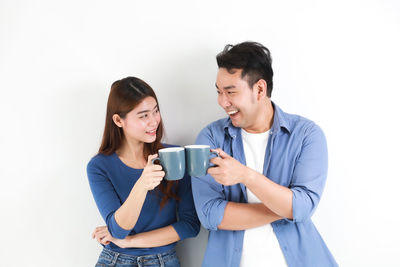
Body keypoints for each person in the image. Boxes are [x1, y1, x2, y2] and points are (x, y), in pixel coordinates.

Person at [191, 42, 338, 267]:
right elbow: (210, 214)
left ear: (259, 89)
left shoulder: (306, 135)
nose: (222, 101)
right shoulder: (210, 138)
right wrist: (286, 207)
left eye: (230, 92)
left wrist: (246, 176)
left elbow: (303, 205)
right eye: (219, 92)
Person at [87, 77, 200, 267]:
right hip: (115, 261)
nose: (154, 121)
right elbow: (119, 230)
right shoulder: (99, 167)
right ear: (118, 120)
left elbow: (190, 226)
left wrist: (131, 242)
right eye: (143, 116)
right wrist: (142, 184)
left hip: (164, 260)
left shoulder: (175, 156)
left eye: (156, 111)